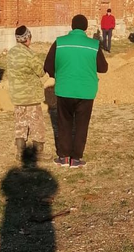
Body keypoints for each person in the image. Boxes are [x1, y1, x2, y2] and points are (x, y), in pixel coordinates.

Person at [43, 14, 108, 168]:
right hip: (86, 91)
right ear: (85, 28)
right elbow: (103, 68)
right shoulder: (94, 45)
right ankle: (76, 159)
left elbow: (47, 66)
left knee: (64, 123)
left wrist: (57, 75)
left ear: (72, 27)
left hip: (64, 89)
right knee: (81, 125)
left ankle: (64, 157)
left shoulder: (60, 43)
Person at [6, 25, 46, 161]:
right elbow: (41, 72)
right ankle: (38, 152)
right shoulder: (30, 55)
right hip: (31, 96)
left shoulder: (11, 53)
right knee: (36, 124)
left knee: (20, 123)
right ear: (28, 38)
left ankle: (20, 151)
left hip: (17, 96)